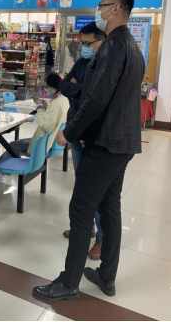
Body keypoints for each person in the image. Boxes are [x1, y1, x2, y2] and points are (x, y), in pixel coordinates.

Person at [33, 0, 144, 301]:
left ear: (117, 8)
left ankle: (68, 283)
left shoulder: (112, 46)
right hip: (123, 142)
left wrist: (69, 130)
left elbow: (96, 99)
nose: (99, 10)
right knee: (110, 208)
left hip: (105, 143)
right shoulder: (132, 47)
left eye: (103, 5)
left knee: (81, 208)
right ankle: (106, 275)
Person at [60, 22, 106, 261]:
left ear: (102, 41)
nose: (84, 48)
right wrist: (77, 88)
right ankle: (86, 228)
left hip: (93, 135)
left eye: (88, 43)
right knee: (82, 184)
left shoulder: (106, 65)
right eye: (82, 43)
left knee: (95, 188)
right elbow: (64, 86)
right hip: (75, 130)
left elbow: (94, 99)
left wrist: (77, 88)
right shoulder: (80, 63)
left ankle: (102, 238)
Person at [0, 73, 69, 181]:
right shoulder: (64, 99)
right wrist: (45, 107)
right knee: (18, 143)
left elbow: (45, 124)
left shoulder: (57, 103)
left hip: (44, 143)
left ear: (53, 86)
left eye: (47, 87)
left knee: (14, 145)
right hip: (51, 140)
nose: (46, 90)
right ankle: (4, 168)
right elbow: (54, 118)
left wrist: (39, 108)